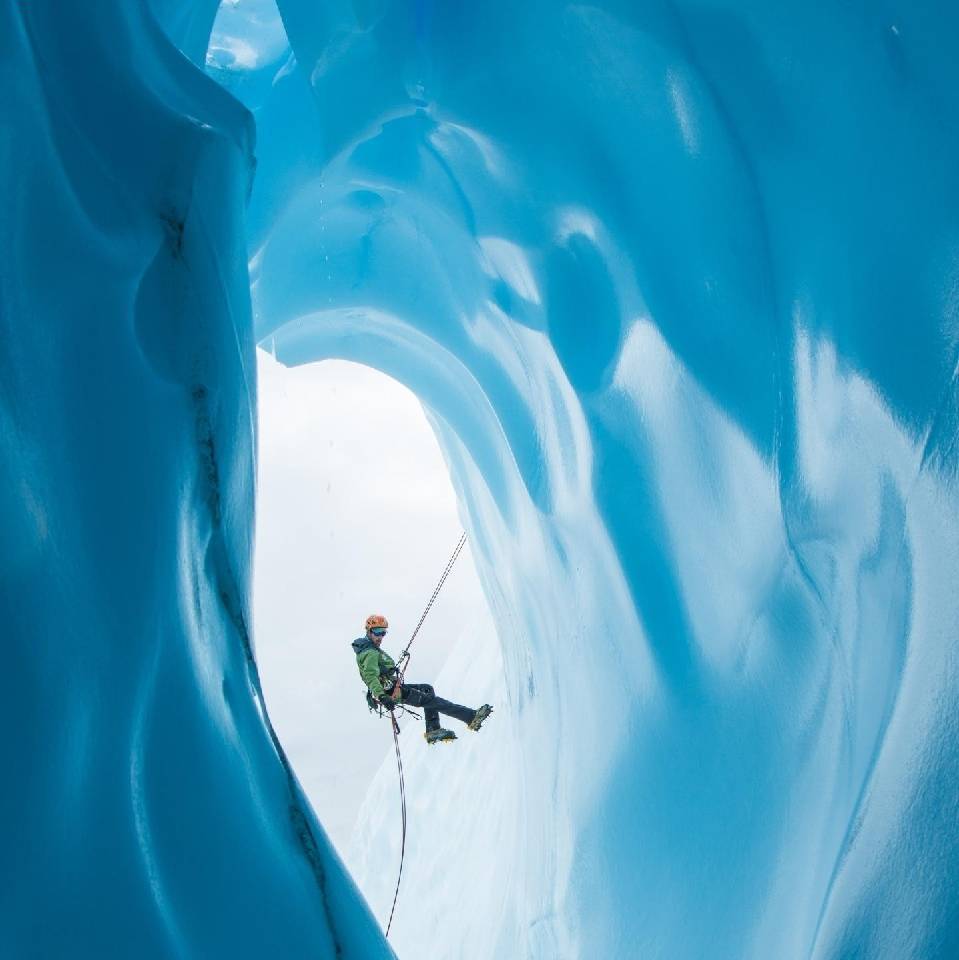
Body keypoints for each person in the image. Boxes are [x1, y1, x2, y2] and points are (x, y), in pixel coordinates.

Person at [353, 614, 493, 744]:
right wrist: (382, 696)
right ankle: (471, 717)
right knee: (433, 701)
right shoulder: (369, 652)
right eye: (377, 631)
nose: (380, 636)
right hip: (391, 692)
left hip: (392, 688)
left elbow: (377, 672)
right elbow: (370, 677)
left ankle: (433, 730)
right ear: (369, 631)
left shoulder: (371, 649)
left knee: (427, 688)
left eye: (383, 632)